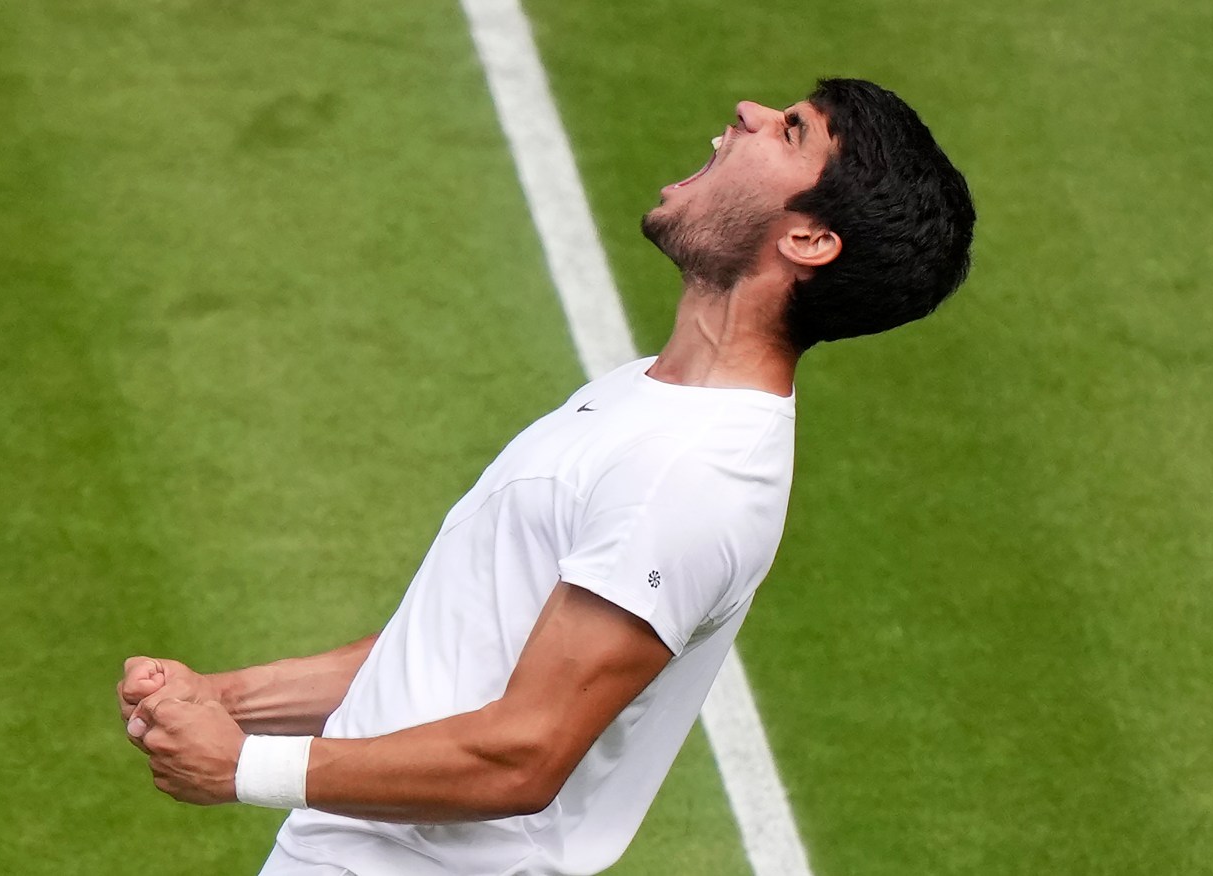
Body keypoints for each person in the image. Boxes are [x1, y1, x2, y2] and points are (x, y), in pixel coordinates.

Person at [117, 77, 975, 876]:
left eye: (791, 131)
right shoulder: (645, 399)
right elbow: (457, 651)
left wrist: (242, 767)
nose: (749, 110)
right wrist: (227, 700)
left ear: (808, 239)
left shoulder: (692, 471)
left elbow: (522, 754)